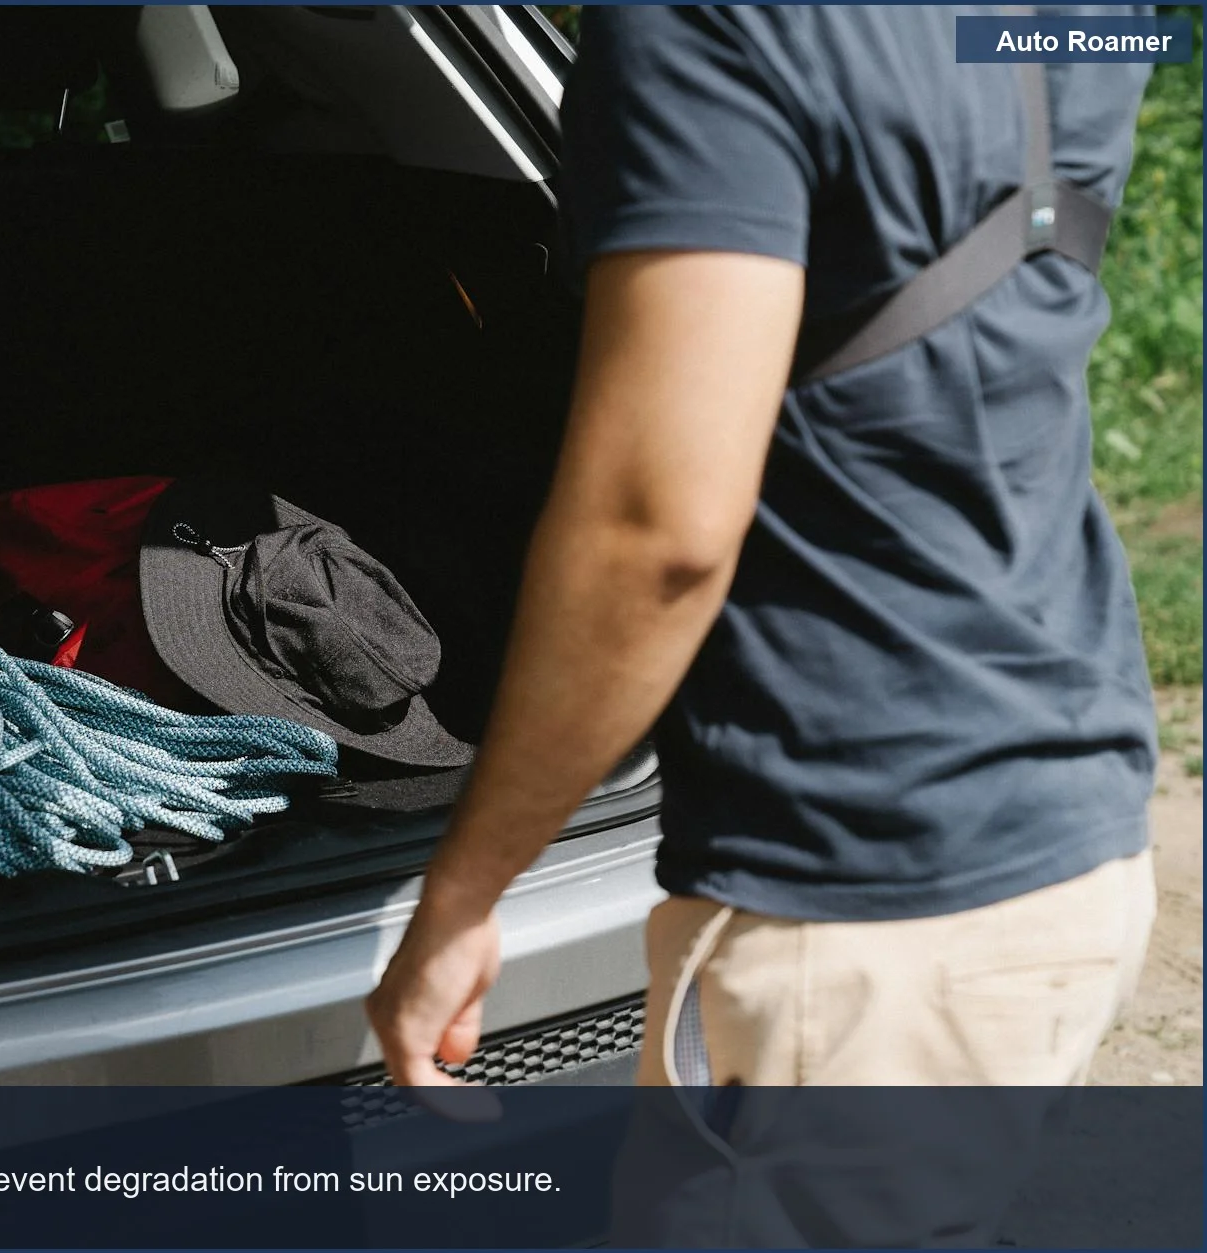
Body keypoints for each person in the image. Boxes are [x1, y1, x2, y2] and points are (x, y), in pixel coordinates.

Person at [366, 5, 1159, 1099]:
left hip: (863, 901)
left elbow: (660, 534)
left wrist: (461, 895)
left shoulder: (699, 20)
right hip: (1075, 820)